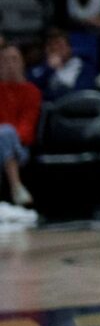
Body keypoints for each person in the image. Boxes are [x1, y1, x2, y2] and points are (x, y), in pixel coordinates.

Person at [0, 46, 39, 218]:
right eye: (5, 60)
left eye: (14, 59)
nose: (10, 64)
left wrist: (7, 137)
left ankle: (16, 186)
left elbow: (27, 128)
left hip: (20, 149)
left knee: (6, 132)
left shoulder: (32, 91)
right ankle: (16, 189)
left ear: (23, 63)